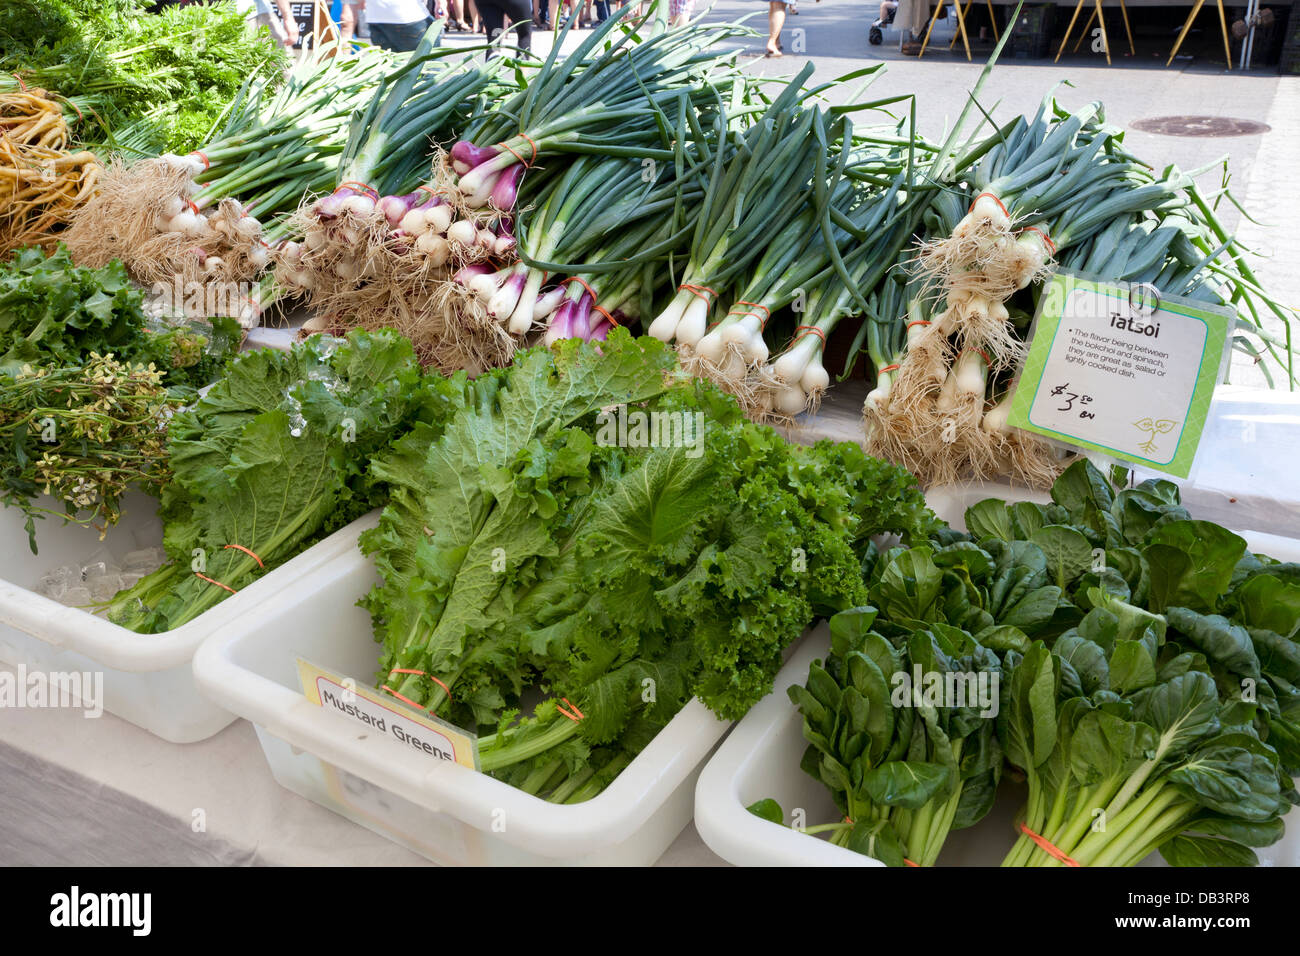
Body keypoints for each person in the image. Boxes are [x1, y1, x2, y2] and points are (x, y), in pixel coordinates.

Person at [349, 0, 434, 51]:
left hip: (376, 18)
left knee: (390, 67)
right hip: (409, 15)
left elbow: (360, 4)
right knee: (427, 64)